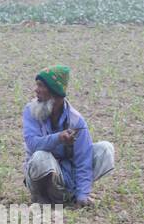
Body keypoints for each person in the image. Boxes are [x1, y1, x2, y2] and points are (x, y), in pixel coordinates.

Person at [22, 65, 115, 207]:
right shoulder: (31, 111)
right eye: (37, 85)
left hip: (66, 175)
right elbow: (33, 144)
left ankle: (72, 195)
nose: (36, 90)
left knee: (105, 149)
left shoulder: (76, 121)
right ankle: (43, 199)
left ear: (54, 93)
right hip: (40, 173)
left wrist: (82, 195)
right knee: (41, 156)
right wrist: (58, 138)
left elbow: (83, 159)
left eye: (41, 86)